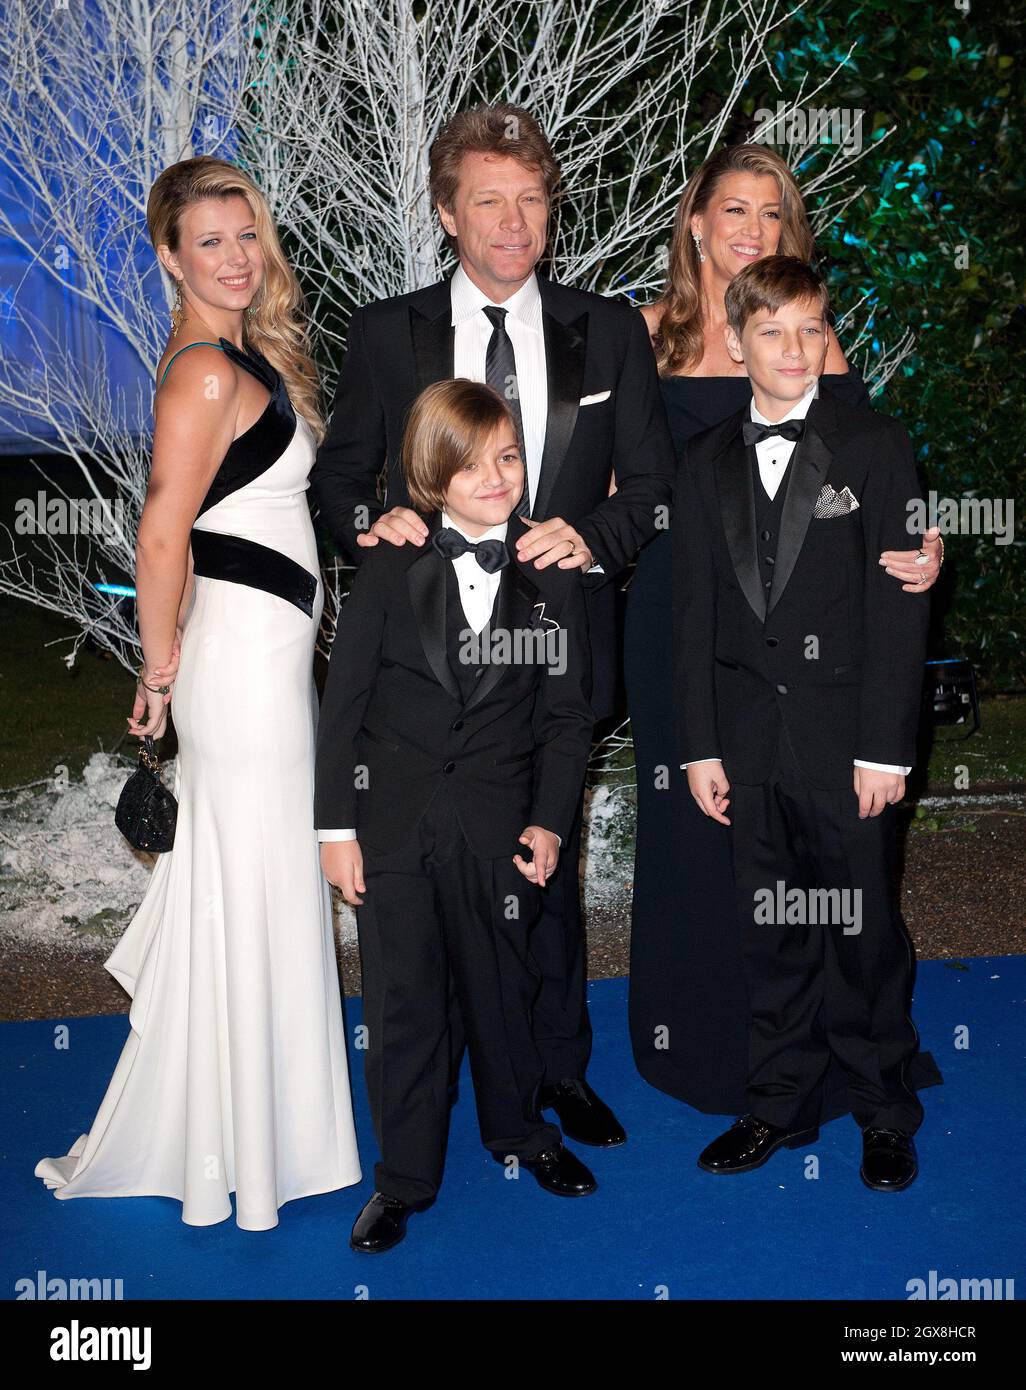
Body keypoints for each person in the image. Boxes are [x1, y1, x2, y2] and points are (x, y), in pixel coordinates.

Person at [309, 102, 676, 1148]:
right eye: (488, 201)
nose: (514, 223)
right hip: (422, 666)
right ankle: (425, 1121)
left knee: (540, 867)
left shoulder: (608, 327)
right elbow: (341, 473)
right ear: (445, 212)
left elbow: (654, 487)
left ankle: (554, 1075)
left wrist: (592, 536)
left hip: (554, 654)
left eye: (531, 199)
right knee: (425, 897)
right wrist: (368, 522)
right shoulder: (388, 331)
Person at [34, 157, 361, 1229]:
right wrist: (159, 666)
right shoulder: (206, 374)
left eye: (245, 234)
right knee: (258, 882)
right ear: (169, 254)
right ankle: (249, 1154)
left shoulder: (231, 354)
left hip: (265, 665)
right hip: (240, 677)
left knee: (259, 882)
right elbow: (162, 532)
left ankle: (257, 1136)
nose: (234, 256)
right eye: (208, 240)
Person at [625, 144, 943, 1117]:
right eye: (734, 211)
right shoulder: (643, 335)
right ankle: (702, 1042)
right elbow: (612, 484)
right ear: (695, 224)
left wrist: (922, 550)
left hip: (800, 647)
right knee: (693, 828)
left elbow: (872, 486)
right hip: (676, 620)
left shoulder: (814, 345)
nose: (753, 230)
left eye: (772, 215)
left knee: (806, 845)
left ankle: (827, 1049)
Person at [316, 379, 597, 1252]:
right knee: (404, 1007)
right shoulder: (391, 564)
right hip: (394, 827)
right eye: (471, 464)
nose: (495, 477)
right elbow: (343, 706)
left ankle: (520, 1133)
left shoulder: (553, 573)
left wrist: (551, 821)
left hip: (499, 828)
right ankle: (403, 1176)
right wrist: (334, 831)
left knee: (505, 991)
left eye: (508, 458)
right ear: (431, 476)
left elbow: (565, 718)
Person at [675, 255, 931, 1189]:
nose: (794, 350)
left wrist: (884, 751)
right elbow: (693, 616)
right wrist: (700, 743)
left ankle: (884, 1109)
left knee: (863, 930)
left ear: (829, 339)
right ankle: (778, 1102)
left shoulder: (876, 445)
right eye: (773, 332)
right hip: (747, 747)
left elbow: (899, 610)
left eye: (810, 331)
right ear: (736, 341)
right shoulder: (702, 464)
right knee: (770, 930)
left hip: (847, 745)